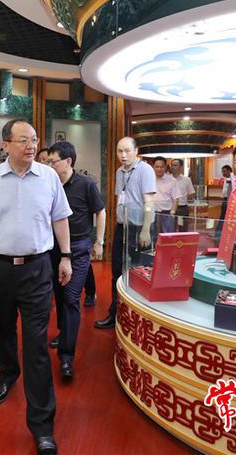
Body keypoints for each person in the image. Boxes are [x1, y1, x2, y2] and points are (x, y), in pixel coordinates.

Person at [0, 119, 72, 455]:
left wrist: (66, 256)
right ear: (5, 145)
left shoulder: (49, 177)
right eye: (23, 140)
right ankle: (8, 372)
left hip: (37, 268)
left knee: (36, 344)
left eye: (34, 140)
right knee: (3, 327)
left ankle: (42, 425)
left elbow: (60, 218)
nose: (31, 146)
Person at [46, 141, 105, 379]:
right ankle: (64, 332)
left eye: (53, 161)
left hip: (79, 248)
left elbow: (100, 211)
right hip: (52, 247)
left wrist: (99, 241)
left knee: (71, 298)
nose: (49, 165)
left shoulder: (86, 184)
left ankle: (66, 357)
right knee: (60, 295)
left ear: (68, 161)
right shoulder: (48, 184)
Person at [95, 137, 156, 329]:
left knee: (138, 274)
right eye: (119, 151)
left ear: (136, 151)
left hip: (139, 229)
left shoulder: (145, 170)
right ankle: (116, 314)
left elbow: (149, 202)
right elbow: (121, 199)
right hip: (122, 227)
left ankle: (138, 320)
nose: (123, 155)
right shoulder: (119, 172)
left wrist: (146, 229)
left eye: (127, 150)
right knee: (117, 272)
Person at [152, 156, 181, 238]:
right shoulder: (149, 179)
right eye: (157, 167)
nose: (159, 169)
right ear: (153, 167)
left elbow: (176, 198)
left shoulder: (172, 180)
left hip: (167, 214)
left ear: (165, 167)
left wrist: (173, 212)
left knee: (168, 238)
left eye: (161, 167)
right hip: (152, 213)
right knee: (152, 237)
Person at [170, 158, 195, 232]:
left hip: (182, 208)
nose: (172, 167)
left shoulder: (186, 180)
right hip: (170, 208)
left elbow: (191, 193)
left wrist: (184, 199)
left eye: (175, 165)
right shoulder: (167, 179)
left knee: (183, 230)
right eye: (172, 165)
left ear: (181, 167)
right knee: (170, 229)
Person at [214, 164, 235, 240]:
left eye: (224, 171)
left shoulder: (234, 179)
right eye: (222, 171)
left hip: (230, 201)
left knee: (227, 218)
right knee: (222, 218)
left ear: (229, 171)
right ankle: (218, 235)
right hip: (225, 200)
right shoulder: (225, 179)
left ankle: (224, 235)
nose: (223, 173)